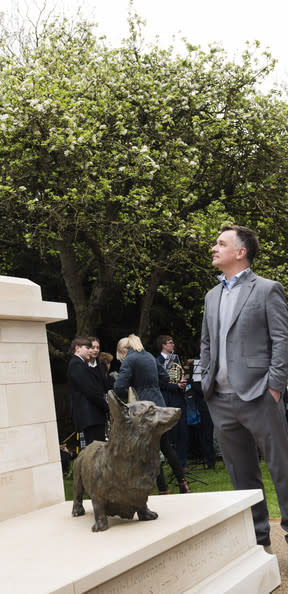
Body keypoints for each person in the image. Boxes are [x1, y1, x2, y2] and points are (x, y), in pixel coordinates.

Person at [200, 225, 288, 548]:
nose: (214, 247)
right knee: (242, 476)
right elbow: (206, 344)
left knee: (283, 469)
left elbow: (282, 341)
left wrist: (274, 387)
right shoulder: (211, 296)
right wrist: (206, 381)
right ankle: (258, 540)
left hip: (261, 397)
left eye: (220, 243)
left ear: (240, 252)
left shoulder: (267, 289)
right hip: (220, 401)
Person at [114, 334, 190, 494]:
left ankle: (163, 489)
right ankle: (183, 483)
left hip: (143, 409)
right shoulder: (149, 356)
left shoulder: (129, 360)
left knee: (151, 450)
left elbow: (119, 387)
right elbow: (164, 378)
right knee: (166, 447)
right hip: (158, 405)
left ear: (123, 351)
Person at [67, 337, 109, 446]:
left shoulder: (80, 364)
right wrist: (106, 406)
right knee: (96, 450)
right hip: (90, 416)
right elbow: (90, 391)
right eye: (87, 348)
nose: (90, 351)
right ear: (77, 348)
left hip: (92, 416)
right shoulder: (76, 365)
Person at [156, 335, 189, 468]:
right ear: (163, 345)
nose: (172, 345)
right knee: (170, 433)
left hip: (179, 399)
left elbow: (178, 375)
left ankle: (182, 462)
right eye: (170, 343)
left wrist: (182, 383)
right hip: (167, 399)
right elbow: (160, 382)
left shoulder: (175, 359)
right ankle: (173, 462)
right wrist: (176, 386)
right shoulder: (157, 361)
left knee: (183, 432)